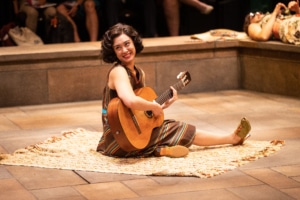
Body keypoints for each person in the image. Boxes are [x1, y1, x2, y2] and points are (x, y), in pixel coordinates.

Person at [96, 23, 252, 158]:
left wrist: (160, 105)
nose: (124, 50)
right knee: (177, 128)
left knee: (164, 126)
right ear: (113, 52)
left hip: (131, 132)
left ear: (134, 43)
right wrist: (154, 106)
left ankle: (158, 150)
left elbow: (138, 110)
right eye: (118, 47)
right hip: (118, 140)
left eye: (127, 44)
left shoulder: (139, 73)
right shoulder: (118, 72)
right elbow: (130, 100)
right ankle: (231, 138)